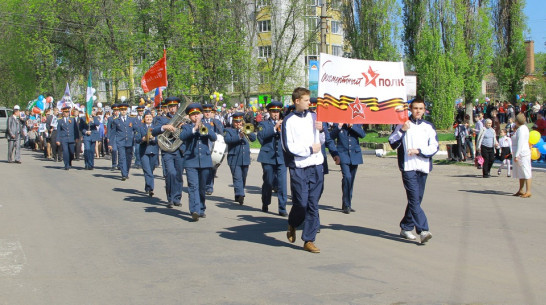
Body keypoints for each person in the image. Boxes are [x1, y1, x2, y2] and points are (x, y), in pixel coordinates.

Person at [388, 97, 438, 244]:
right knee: (414, 198)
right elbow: (392, 143)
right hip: (408, 167)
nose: (418, 111)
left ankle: (406, 226)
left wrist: (419, 151)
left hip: (423, 167)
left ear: (424, 110)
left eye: (420, 109)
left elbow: (434, 146)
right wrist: (402, 131)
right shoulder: (403, 125)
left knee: (417, 199)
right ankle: (423, 230)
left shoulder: (428, 126)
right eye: (415, 108)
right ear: (410, 109)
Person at [282, 87, 325, 253]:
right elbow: (288, 146)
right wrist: (308, 150)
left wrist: (321, 130)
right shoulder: (289, 121)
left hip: (316, 165)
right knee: (301, 203)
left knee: (313, 204)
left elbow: (322, 139)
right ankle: (293, 222)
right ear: (297, 101)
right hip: (299, 166)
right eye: (306, 100)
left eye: (310, 100)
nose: (310, 102)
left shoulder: (315, 117)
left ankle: (309, 240)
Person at [180, 103, 216, 221]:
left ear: (201, 115)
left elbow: (214, 137)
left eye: (197, 115)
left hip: (205, 160)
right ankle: (194, 210)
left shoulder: (207, 125)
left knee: (201, 187)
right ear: (189, 117)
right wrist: (194, 129)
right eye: (193, 115)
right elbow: (182, 137)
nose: (195, 117)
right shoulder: (186, 127)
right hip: (191, 160)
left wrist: (204, 129)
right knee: (193, 186)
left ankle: (201, 208)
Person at [151, 97, 185, 208]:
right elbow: (154, 131)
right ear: (167, 108)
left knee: (179, 175)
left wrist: (182, 128)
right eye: (170, 106)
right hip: (167, 150)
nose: (172, 109)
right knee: (170, 173)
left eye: (174, 106)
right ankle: (170, 197)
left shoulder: (183, 119)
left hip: (180, 149)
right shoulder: (162, 119)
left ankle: (177, 198)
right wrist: (164, 127)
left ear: (177, 107)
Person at [257, 101, 288, 216]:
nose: (276, 114)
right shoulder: (263, 124)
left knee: (282, 183)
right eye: (273, 112)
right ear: (269, 112)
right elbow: (261, 136)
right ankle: (265, 202)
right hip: (267, 157)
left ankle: (282, 208)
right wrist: (275, 128)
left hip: (282, 157)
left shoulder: (285, 124)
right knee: (268, 182)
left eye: (277, 112)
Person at [330, 122, 365, 214]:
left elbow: (362, 135)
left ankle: (347, 202)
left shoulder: (356, 122)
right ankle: (346, 204)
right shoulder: (337, 123)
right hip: (343, 154)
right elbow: (331, 137)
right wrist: (339, 127)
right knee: (347, 177)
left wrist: (352, 126)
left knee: (351, 180)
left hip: (355, 155)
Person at [224, 112, 256, 205]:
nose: (238, 124)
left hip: (245, 157)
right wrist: (239, 136)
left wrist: (248, 132)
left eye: (240, 122)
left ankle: (237, 193)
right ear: (233, 122)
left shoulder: (245, 129)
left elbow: (253, 139)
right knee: (237, 177)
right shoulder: (228, 131)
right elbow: (228, 140)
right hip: (234, 158)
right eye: (236, 122)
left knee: (243, 177)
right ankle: (241, 194)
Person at [108, 103, 138, 180]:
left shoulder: (131, 119)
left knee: (129, 158)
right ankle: (124, 174)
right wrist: (110, 143)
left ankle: (126, 171)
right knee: (122, 157)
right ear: (120, 111)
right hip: (120, 141)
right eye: (122, 110)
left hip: (129, 141)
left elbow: (136, 129)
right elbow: (112, 132)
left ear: (127, 110)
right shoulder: (116, 120)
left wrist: (137, 137)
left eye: (125, 110)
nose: (123, 111)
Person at [202, 103, 224, 195]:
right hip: (203, 146)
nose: (207, 113)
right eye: (205, 111)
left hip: (213, 147)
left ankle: (209, 187)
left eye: (209, 112)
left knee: (212, 168)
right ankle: (203, 185)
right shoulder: (200, 121)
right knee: (203, 168)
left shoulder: (216, 122)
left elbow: (221, 132)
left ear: (212, 112)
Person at [136, 111, 159, 197]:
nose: (148, 119)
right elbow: (137, 139)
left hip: (153, 151)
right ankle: (151, 188)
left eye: (150, 117)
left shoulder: (156, 128)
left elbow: (159, 139)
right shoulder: (140, 128)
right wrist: (143, 139)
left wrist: (153, 138)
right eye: (147, 117)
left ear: (152, 118)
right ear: (144, 119)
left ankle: (147, 186)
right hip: (144, 152)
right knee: (147, 170)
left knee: (151, 170)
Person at [512, 113, 532, 198]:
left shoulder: (521, 130)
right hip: (521, 152)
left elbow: (520, 142)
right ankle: (521, 189)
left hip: (522, 153)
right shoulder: (523, 128)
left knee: (526, 171)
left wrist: (516, 155)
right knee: (521, 172)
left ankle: (528, 191)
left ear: (517, 121)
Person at [56, 105, 80, 170]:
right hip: (64, 138)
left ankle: (70, 161)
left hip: (71, 138)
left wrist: (77, 137)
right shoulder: (60, 121)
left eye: (68, 112)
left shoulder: (72, 119)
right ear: (63, 113)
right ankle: (66, 164)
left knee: (72, 152)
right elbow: (58, 131)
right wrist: (58, 140)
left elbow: (76, 129)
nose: (67, 113)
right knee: (65, 152)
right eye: (65, 112)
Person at [107, 104, 120, 170]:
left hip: (120, 136)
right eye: (115, 110)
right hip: (113, 136)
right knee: (114, 150)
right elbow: (109, 128)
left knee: (120, 150)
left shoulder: (121, 118)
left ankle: (120, 164)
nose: (116, 112)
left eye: (117, 110)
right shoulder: (110, 118)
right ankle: (114, 164)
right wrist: (108, 137)